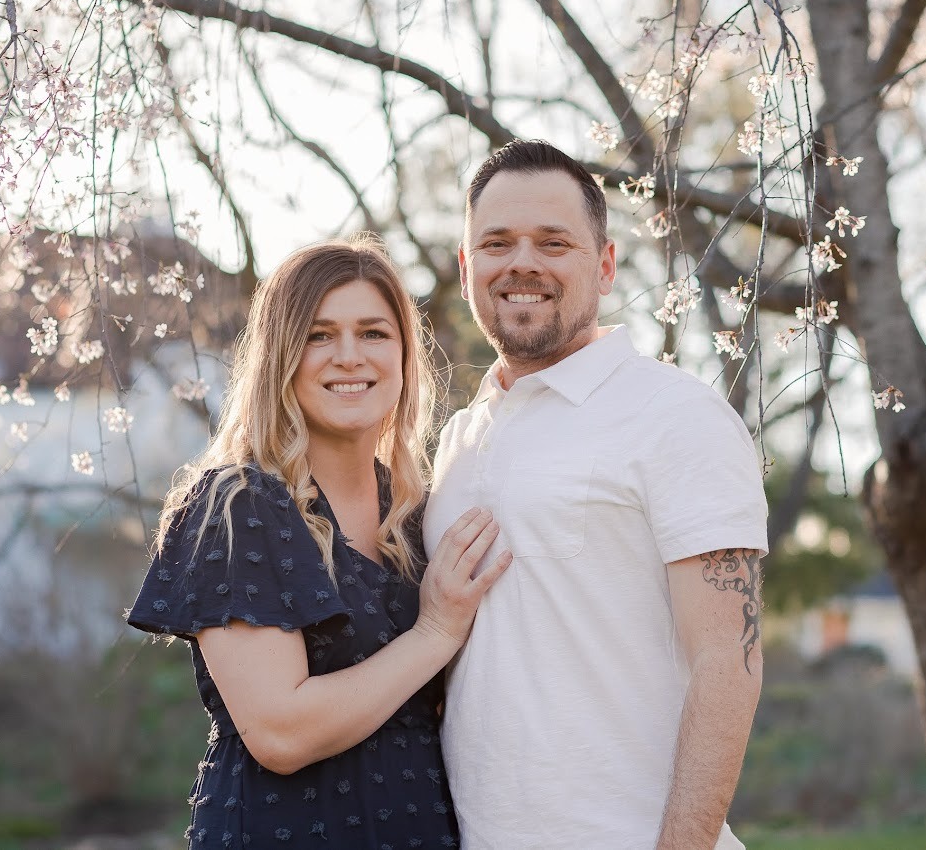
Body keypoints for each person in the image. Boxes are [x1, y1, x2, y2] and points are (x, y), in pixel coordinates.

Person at [422, 140, 769, 850]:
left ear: (605, 266)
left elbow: (727, 660)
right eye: (496, 243)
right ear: (467, 269)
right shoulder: (457, 438)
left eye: (553, 242)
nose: (522, 263)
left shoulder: (676, 416)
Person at [127, 235, 511, 849]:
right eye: (318, 335)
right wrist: (434, 632)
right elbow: (281, 733)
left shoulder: (417, 517)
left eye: (374, 333)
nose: (350, 356)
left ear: (406, 356)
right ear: (281, 355)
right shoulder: (239, 504)